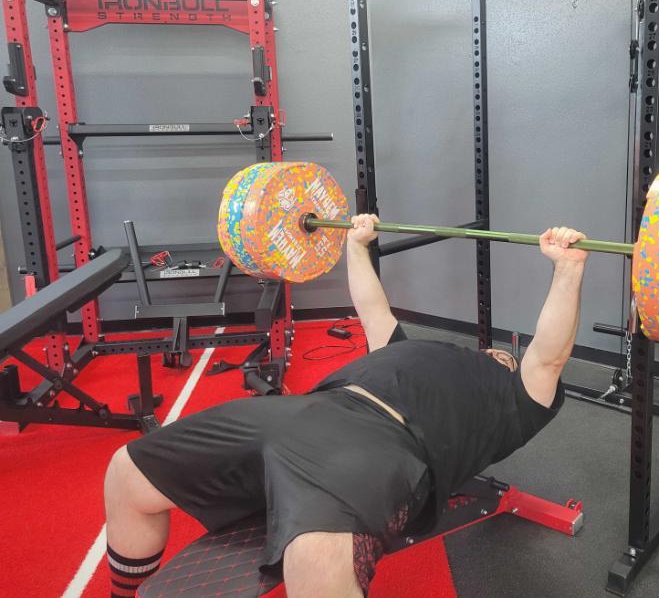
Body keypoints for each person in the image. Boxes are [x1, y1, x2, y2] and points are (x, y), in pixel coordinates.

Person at [103, 214, 588, 598]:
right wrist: (355, 246)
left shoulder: (518, 399)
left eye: (506, 354)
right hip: (306, 412)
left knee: (313, 563)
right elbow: (373, 309)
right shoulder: (405, 349)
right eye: (497, 349)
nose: (498, 351)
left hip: (381, 444)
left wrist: (568, 269)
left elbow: (548, 354)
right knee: (129, 471)